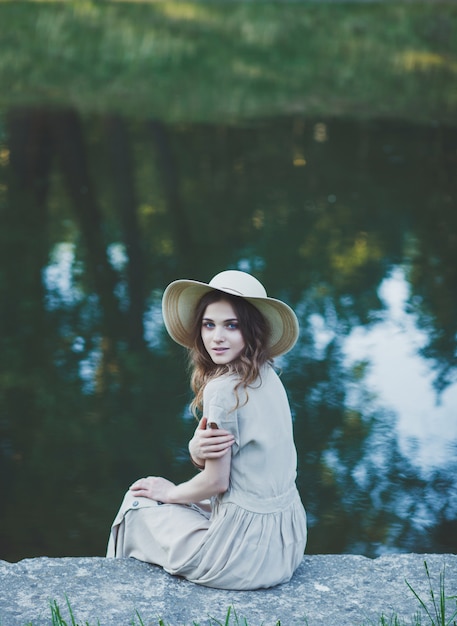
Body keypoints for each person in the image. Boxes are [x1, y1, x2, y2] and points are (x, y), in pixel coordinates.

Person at [106, 270, 307, 590]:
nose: (217, 337)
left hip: (244, 557)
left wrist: (168, 493)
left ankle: (117, 596)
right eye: (209, 325)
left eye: (232, 325)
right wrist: (195, 452)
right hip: (287, 543)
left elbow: (216, 481)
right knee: (174, 501)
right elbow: (236, 463)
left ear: (251, 330)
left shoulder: (223, 390)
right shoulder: (269, 376)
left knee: (137, 503)